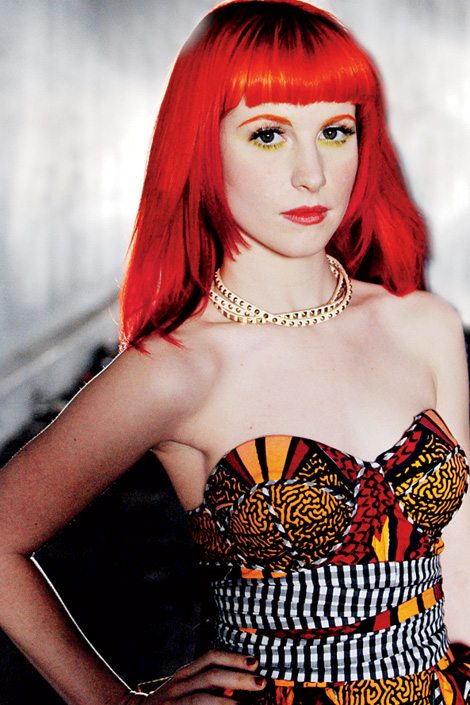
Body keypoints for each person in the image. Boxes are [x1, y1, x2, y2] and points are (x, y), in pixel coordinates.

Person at [0, 0, 469, 703]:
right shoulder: (178, 368)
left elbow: (459, 576)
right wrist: (112, 700)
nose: (312, 173)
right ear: (203, 147)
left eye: (335, 131)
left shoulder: (424, 325)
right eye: (268, 135)